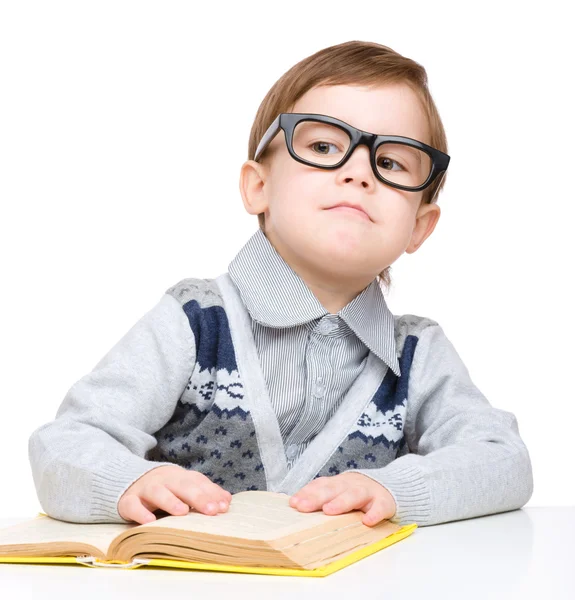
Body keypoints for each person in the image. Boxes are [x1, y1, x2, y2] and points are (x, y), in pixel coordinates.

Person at [28, 40, 533, 528]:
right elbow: (68, 440)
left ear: (420, 227)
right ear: (258, 186)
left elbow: (503, 461)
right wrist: (126, 481)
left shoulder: (418, 355)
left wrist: (399, 490)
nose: (359, 172)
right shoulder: (194, 321)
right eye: (322, 146)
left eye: (391, 162)